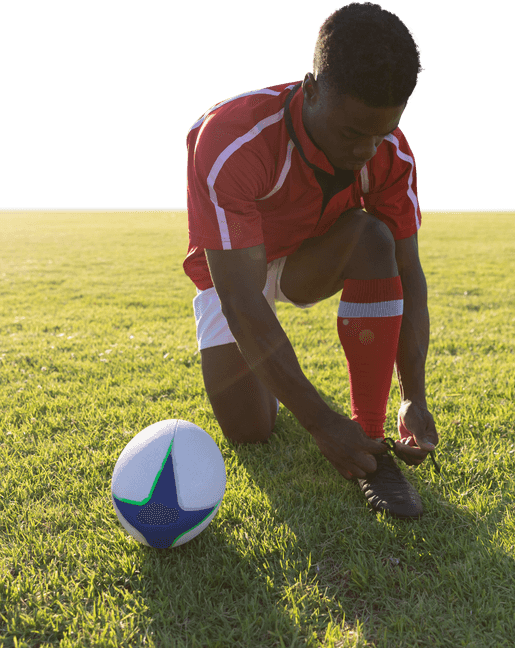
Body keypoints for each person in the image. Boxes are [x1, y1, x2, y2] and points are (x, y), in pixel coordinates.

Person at [183, 2, 437, 519]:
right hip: (236, 270)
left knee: (373, 238)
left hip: (308, 260)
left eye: (382, 132)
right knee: (251, 431)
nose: (368, 149)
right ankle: (271, 373)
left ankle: (369, 431)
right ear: (312, 88)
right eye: (352, 133)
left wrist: (414, 394)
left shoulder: (391, 155)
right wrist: (319, 420)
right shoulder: (231, 139)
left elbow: (408, 272)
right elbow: (238, 297)